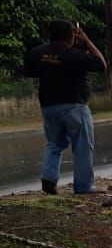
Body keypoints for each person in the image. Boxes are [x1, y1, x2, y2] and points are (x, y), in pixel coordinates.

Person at [24, 20, 107, 194]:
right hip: (75, 106)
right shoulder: (74, 55)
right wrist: (86, 41)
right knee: (82, 147)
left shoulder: (37, 53)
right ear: (71, 35)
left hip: (49, 106)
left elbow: (29, 71)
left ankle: (49, 178)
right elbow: (101, 64)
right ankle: (84, 186)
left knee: (54, 144)